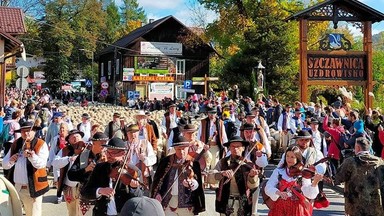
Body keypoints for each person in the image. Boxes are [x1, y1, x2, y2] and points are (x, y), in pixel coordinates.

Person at [81, 137, 143, 215]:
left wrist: (134, 188)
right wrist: (100, 190)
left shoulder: (133, 171)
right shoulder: (99, 168)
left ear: (123, 153)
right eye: (108, 152)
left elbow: (140, 199)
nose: (109, 155)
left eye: (113, 152)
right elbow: (85, 192)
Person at [2, 121, 50, 216]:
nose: (25, 133)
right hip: (16, 187)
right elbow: (4, 164)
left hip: (33, 187)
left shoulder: (41, 144)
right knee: (15, 213)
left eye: (28, 131)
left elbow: (41, 164)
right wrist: (11, 161)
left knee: (33, 213)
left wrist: (32, 157)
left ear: (34, 131)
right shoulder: (16, 144)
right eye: (23, 131)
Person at [151, 136, 205, 215]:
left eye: (184, 149)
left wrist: (192, 184)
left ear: (188, 148)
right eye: (179, 149)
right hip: (168, 201)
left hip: (187, 204)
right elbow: (158, 180)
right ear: (175, 149)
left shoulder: (193, 162)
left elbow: (197, 184)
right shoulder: (166, 161)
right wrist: (158, 194)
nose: (182, 151)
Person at [207, 136, 260, 215]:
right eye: (233, 146)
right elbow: (210, 178)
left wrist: (252, 177)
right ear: (229, 148)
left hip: (243, 202)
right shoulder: (222, 162)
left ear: (243, 148)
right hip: (226, 201)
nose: (235, 149)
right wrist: (222, 173)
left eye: (238, 146)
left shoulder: (249, 164)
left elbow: (253, 187)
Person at [265, 145, 323, 216]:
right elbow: (268, 186)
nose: (289, 159)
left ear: (297, 158)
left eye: (292, 157)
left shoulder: (303, 173)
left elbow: (308, 194)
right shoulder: (279, 171)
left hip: (297, 208)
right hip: (280, 206)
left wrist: (315, 182)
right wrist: (278, 192)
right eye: (287, 156)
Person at [335, 137, 384, 215]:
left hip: (355, 204)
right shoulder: (380, 162)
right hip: (375, 205)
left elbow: (338, 178)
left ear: (358, 147)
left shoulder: (350, 161)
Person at [52, 129, 86, 214]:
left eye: (77, 136)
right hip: (69, 187)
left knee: (83, 212)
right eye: (72, 137)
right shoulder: (65, 150)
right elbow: (55, 163)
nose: (75, 139)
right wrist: (69, 159)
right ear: (69, 141)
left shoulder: (88, 149)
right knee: (72, 212)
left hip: (84, 187)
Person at [241, 123, 269, 216]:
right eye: (247, 132)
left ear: (254, 132)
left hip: (254, 177)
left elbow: (264, 164)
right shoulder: (239, 144)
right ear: (243, 133)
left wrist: (260, 156)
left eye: (251, 132)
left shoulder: (259, 146)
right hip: (240, 177)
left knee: (253, 204)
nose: (249, 134)